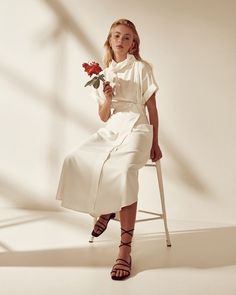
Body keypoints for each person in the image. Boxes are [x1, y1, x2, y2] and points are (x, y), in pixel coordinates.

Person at [56, 19, 162, 280]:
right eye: (116, 36)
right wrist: (108, 98)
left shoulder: (142, 68)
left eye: (127, 37)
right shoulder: (103, 73)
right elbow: (103, 116)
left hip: (137, 127)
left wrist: (155, 141)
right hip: (113, 127)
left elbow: (152, 109)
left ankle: (124, 249)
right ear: (110, 40)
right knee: (75, 158)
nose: (121, 40)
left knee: (124, 170)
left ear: (133, 42)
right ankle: (107, 207)